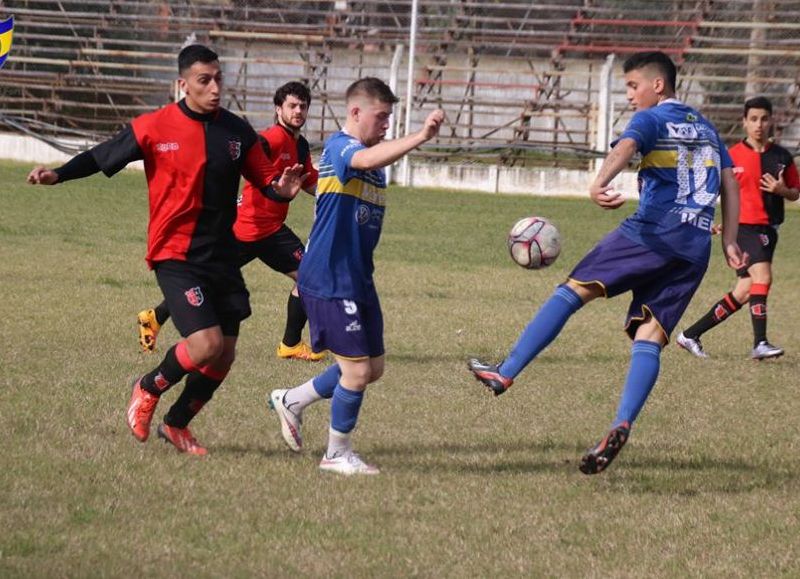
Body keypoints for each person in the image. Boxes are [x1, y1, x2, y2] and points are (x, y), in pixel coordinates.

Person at [467, 51, 746, 475]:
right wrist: (729, 239)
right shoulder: (706, 127)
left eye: (633, 86)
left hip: (652, 231)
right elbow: (729, 180)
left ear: (657, 85)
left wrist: (599, 181)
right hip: (694, 248)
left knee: (572, 290)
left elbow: (628, 145)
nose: (630, 95)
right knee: (649, 337)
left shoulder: (652, 119)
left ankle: (505, 372)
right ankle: (621, 422)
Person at [27, 44, 305, 455]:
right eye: (203, 80)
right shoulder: (154, 126)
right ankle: (147, 386)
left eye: (218, 79)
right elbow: (102, 156)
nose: (214, 88)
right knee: (205, 345)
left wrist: (280, 190)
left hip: (222, 255)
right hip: (176, 253)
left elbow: (265, 179)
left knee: (224, 356)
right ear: (183, 84)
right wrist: (59, 174)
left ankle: (177, 425)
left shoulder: (237, 131)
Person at [267, 77, 445, 475]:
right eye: (380, 117)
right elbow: (364, 160)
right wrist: (422, 135)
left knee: (372, 368)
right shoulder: (340, 147)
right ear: (355, 112)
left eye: (389, 119)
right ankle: (336, 453)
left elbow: (373, 164)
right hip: (329, 277)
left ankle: (292, 399)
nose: (385, 125)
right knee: (358, 371)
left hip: (358, 278)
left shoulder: (375, 165)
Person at [137, 81, 325, 362]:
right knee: (305, 278)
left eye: (303, 106)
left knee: (305, 277)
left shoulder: (298, 144)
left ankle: (290, 344)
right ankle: (154, 317)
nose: (298, 111)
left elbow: (309, 180)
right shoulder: (269, 139)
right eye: (292, 106)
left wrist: (337, 193)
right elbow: (246, 164)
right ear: (278, 109)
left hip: (265, 229)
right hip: (250, 227)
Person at [677, 96, 799, 360]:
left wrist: (782, 190)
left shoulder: (782, 157)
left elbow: (795, 193)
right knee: (763, 279)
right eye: (753, 119)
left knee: (745, 290)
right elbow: (710, 190)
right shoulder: (731, 156)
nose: (759, 125)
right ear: (744, 122)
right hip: (743, 230)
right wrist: (705, 221)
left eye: (764, 119)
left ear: (771, 122)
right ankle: (760, 342)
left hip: (768, 231)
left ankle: (690, 335)